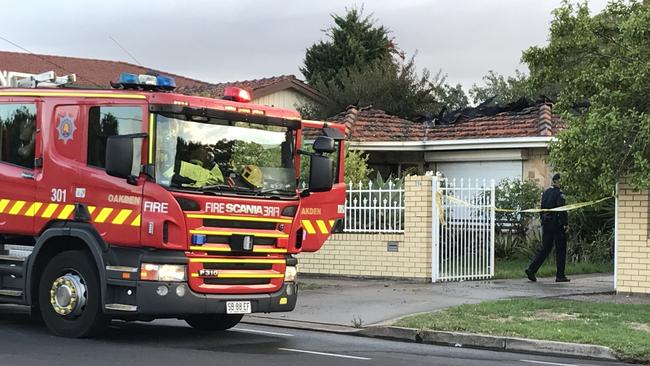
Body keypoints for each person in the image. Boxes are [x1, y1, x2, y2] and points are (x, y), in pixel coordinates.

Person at [525, 173, 571, 283]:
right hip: (557, 225)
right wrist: (565, 224)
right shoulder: (559, 193)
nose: (562, 183)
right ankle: (560, 275)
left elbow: (541, 208)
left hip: (546, 224)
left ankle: (532, 269)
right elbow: (562, 209)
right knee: (560, 249)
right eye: (561, 181)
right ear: (556, 181)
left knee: (545, 248)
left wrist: (543, 221)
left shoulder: (545, 193)